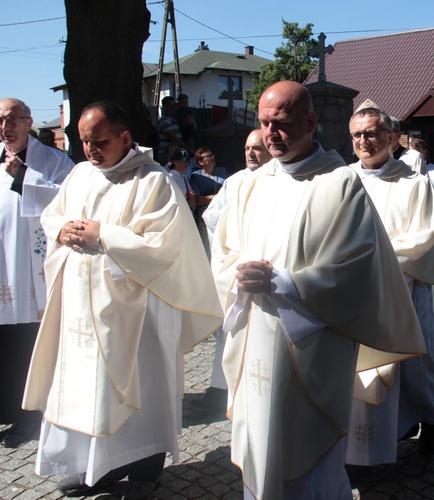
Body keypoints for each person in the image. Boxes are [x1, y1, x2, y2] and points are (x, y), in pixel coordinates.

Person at [211, 81, 425, 499]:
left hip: (311, 344)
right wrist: (238, 273)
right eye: (264, 123)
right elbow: (223, 252)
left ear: (310, 122)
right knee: (259, 445)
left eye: (282, 124)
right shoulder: (248, 185)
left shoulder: (340, 184)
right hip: (254, 334)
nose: (271, 133)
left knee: (307, 457)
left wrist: (285, 283)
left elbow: (360, 271)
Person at [22, 100, 223, 498]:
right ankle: (96, 467)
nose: (90, 151)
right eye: (83, 142)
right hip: (82, 306)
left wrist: (104, 237)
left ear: (125, 138)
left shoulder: (154, 182)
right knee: (87, 388)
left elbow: (166, 248)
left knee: (143, 389)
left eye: (99, 141)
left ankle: (145, 471)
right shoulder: (79, 175)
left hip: (140, 313)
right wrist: (63, 230)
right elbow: (53, 215)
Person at [347, 107, 434, 465]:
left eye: (371, 133)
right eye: (357, 135)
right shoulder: (342, 180)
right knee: (363, 367)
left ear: (391, 138)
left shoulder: (414, 182)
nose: (363, 141)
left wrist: (376, 262)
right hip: (355, 293)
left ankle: (430, 420)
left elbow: (425, 237)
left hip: (405, 289)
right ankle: (378, 432)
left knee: (417, 362)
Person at [0, 98, 74, 449]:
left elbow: (70, 202)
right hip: (3, 265)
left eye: (12, 119)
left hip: (34, 270)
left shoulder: (55, 161)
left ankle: (28, 412)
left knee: (29, 340)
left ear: (28, 122)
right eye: (0, 120)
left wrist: (23, 177)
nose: (5, 126)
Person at [196, 130, 271, 412]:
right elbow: (212, 218)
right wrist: (228, 255)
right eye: (247, 148)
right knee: (229, 328)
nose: (251, 153)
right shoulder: (235, 181)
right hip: (235, 267)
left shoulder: (284, 182)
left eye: (258, 148)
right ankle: (221, 385)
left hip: (264, 271)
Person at [190, 147, 226, 255]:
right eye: (208, 156)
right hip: (205, 215)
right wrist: (217, 196)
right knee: (208, 244)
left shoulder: (222, 171)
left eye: (212, 155)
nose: (212, 157)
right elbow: (197, 200)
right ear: (201, 162)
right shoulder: (196, 177)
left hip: (223, 212)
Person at [157, 96, 189, 164]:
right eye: (170, 105)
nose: (173, 107)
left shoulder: (174, 120)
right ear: (165, 106)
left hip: (176, 154)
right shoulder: (164, 120)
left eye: (174, 105)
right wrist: (188, 150)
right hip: (166, 155)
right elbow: (174, 139)